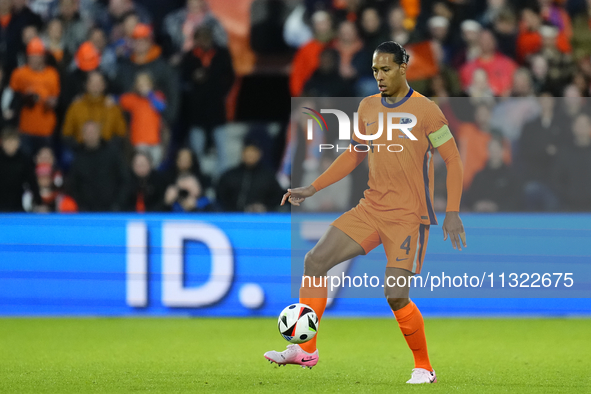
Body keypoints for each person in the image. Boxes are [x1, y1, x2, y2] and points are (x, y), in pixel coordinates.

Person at [264, 41, 466, 384]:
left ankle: (424, 367)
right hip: (371, 208)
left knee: (395, 294)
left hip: (409, 217)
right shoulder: (368, 107)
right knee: (315, 261)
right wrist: (312, 187)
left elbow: (454, 160)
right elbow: (354, 154)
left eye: (386, 69)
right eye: (374, 71)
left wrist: (452, 211)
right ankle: (305, 349)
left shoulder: (427, 110)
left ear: (403, 68)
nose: (379, 77)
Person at [7, 37, 60, 156]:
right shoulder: (19, 74)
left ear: (43, 57)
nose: (35, 59)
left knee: (45, 161)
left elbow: (55, 99)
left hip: (46, 128)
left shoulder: (52, 74)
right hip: (25, 128)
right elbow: (10, 99)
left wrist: (49, 102)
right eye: (32, 56)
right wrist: (25, 98)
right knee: (26, 162)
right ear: (27, 57)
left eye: (38, 56)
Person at [67, 120, 129, 211]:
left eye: (93, 132)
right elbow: (72, 184)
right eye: (87, 132)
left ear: (99, 133)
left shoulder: (113, 153)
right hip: (86, 212)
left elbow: (125, 179)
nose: (90, 135)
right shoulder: (78, 157)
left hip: (111, 210)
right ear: (83, 135)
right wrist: (80, 205)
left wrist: (118, 204)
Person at [62, 70, 127, 146]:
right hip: (81, 152)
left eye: (99, 83)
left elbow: (121, 134)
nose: (95, 86)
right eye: (92, 83)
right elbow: (67, 134)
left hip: (106, 152)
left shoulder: (112, 108)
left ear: (104, 85)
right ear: (86, 85)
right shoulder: (76, 107)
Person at [217, 139, 283, 212]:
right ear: (242, 153)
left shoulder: (269, 176)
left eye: (253, 151)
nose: (250, 155)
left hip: (262, 218)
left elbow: (277, 198)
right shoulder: (229, 175)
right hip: (233, 216)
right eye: (247, 151)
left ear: (259, 154)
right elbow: (220, 199)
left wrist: (265, 208)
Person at [119, 72, 166, 166]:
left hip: (155, 141)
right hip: (139, 141)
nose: (143, 87)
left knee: (155, 167)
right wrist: (111, 99)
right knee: (141, 166)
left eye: (145, 84)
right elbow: (120, 101)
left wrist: (150, 95)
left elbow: (161, 107)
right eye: (140, 84)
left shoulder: (157, 96)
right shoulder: (133, 99)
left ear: (151, 84)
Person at [464, 136, 518, 212]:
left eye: (497, 150)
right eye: (492, 150)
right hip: (480, 217)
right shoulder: (479, 176)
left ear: (503, 151)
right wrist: (478, 205)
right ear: (487, 151)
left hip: (504, 218)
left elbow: (516, 200)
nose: (494, 153)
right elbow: (470, 198)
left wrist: (497, 207)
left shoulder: (512, 176)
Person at [551, 113, 591, 211]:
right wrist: (567, 195)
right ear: (573, 127)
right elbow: (555, 179)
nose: (582, 128)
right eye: (579, 125)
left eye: (585, 125)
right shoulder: (564, 152)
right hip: (569, 206)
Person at [0, 126, 40, 212]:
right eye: (8, 141)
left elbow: (32, 181)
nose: (11, 144)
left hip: (17, 205)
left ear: (18, 142)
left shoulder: (24, 159)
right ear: (2, 143)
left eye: (13, 141)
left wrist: (39, 202)